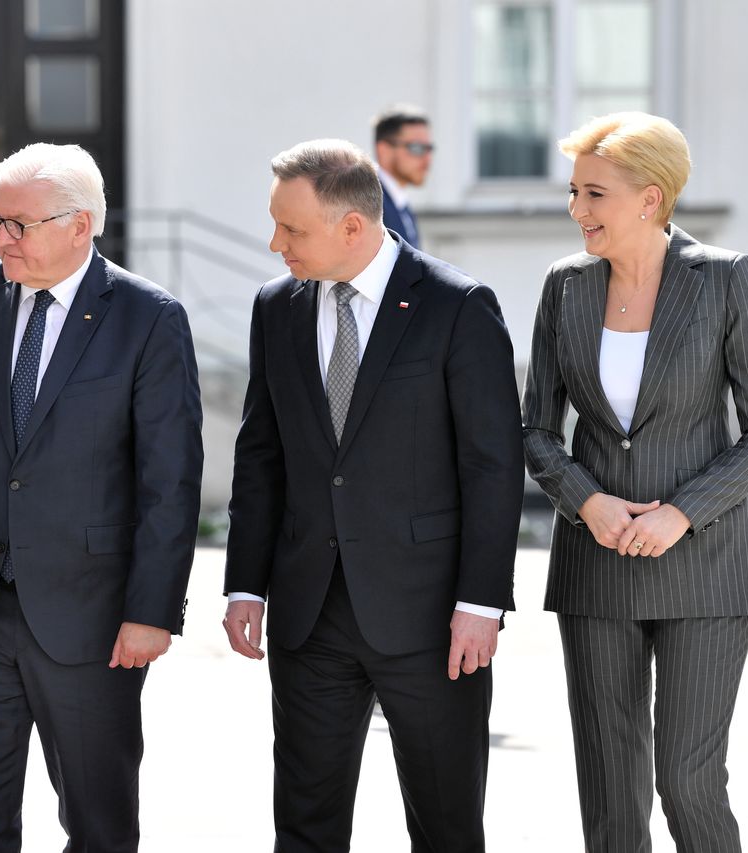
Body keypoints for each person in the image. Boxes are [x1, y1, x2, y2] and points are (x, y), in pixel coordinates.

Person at [0, 142, 203, 852]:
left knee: (100, 825)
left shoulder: (148, 318)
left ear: (80, 225)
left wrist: (152, 611)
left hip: (93, 624)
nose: (2, 237)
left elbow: (170, 481)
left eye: (20, 224)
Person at [222, 139, 524, 852]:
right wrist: (245, 585)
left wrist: (481, 604)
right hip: (309, 614)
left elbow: (493, 463)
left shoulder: (458, 306)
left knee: (446, 826)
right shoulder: (277, 308)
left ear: (351, 227)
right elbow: (260, 454)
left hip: (432, 623)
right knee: (304, 824)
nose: (275, 244)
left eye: (291, 229)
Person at [522, 112, 748, 852]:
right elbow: (536, 429)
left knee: (687, 778)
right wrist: (585, 498)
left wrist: (682, 511)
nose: (576, 211)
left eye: (594, 194)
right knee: (611, 793)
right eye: (574, 192)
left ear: (650, 198)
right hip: (595, 565)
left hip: (704, 567)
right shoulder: (564, 286)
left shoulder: (727, 278)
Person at [373, 105, 433, 248]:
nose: (427, 159)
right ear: (384, 150)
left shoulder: (401, 204)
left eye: (429, 149)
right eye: (416, 148)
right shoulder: (370, 204)